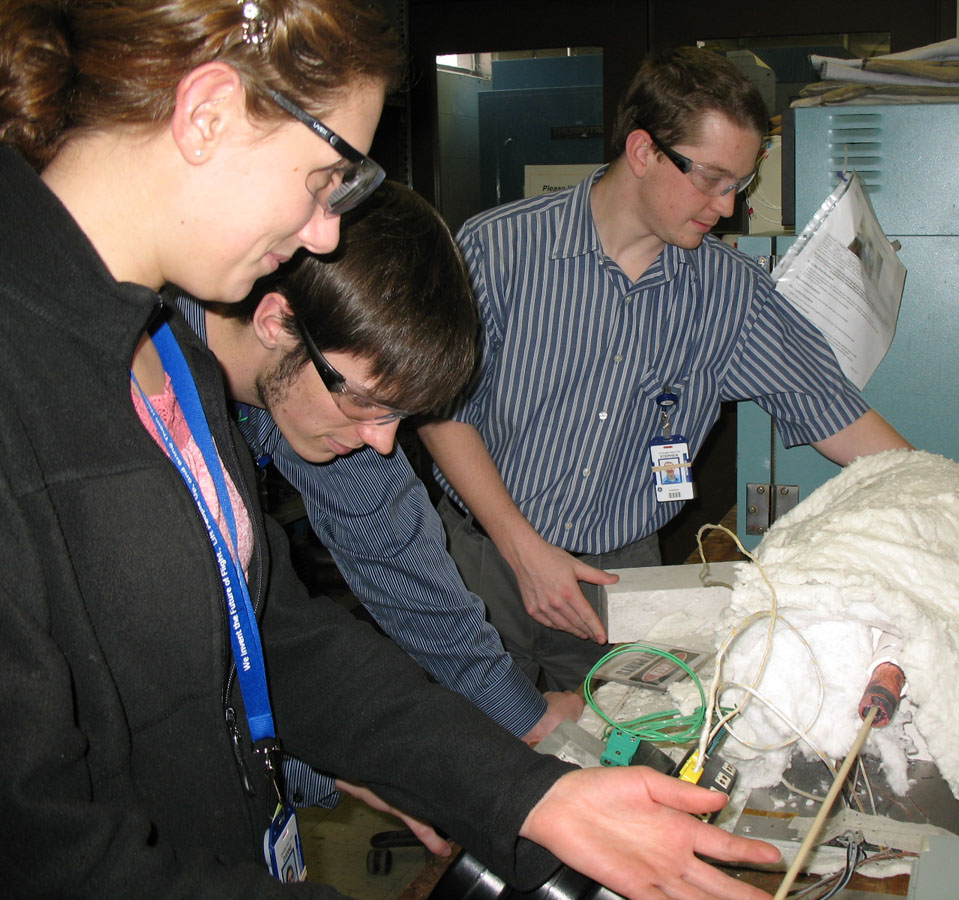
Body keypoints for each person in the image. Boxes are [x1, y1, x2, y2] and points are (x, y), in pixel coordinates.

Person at [0, 5, 780, 898]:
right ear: (207, 113)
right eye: (327, 178)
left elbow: (274, 637)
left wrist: (527, 799)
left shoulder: (169, 351)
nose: (327, 232)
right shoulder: (34, 373)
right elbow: (45, 851)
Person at [418, 45, 959, 692]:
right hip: (483, 555)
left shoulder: (729, 291)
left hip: (616, 576)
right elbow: (441, 412)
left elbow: (838, 414)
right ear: (643, 151)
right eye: (712, 180)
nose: (726, 207)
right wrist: (523, 547)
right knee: (473, 762)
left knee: (625, 753)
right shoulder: (498, 250)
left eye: (739, 184)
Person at [168, 181, 581, 823]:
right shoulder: (141, 398)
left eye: (401, 417)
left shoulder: (322, 383)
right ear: (278, 323)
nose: (382, 443)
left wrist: (520, 717)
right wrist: (297, 765)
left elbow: (393, 551)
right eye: (368, 405)